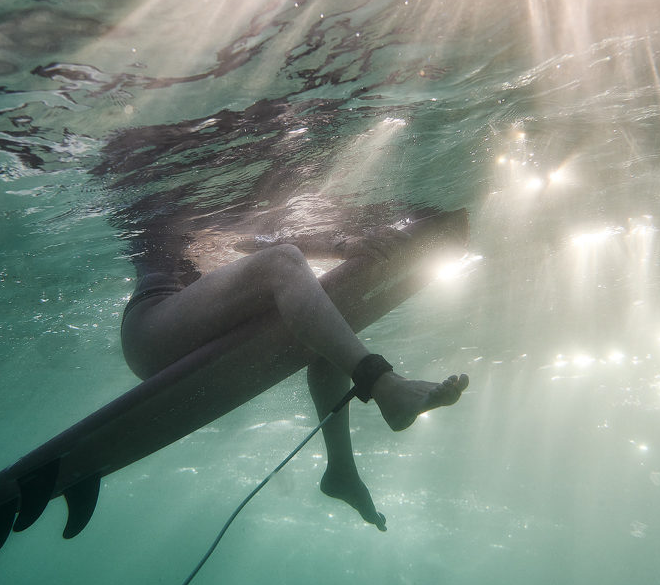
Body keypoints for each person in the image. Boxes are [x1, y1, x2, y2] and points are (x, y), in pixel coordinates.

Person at [119, 225, 469, 531]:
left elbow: (246, 237)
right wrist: (340, 245)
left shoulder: (208, 189)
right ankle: (383, 384)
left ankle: (341, 471)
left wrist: (342, 242)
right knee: (281, 262)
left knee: (324, 320)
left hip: (206, 326)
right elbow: (257, 242)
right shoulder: (167, 187)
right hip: (152, 326)